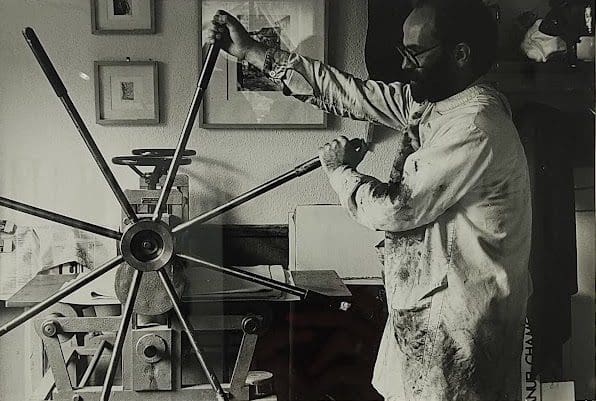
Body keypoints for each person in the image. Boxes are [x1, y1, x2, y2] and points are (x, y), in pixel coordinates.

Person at [209, 0, 532, 400]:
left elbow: (396, 207)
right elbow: (352, 94)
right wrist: (253, 52)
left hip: (457, 327)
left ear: (460, 54)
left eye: (415, 53)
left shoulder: (474, 125)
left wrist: (340, 170)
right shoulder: (437, 102)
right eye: (403, 51)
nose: (404, 65)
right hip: (428, 315)